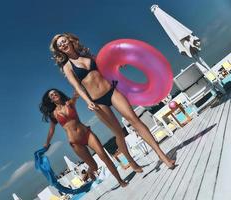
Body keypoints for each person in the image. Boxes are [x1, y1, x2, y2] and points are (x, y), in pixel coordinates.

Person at [49, 33, 176, 170]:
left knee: (135, 120)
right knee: (119, 133)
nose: (62, 45)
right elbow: (77, 87)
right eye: (59, 45)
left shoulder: (87, 55)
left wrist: (120, 63)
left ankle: (161, 155)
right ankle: (130, 161)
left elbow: (106, 65)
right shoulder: (67, 67)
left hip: (112, 91)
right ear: (60, 50)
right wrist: (87, 101)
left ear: (70, 40)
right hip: (97, 102)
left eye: (64, 41)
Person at [39, 88, 128, 187]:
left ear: (59, 94)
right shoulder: (54, 114)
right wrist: (46, 143)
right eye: (51, 95)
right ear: (51, 100)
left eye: (55, 92)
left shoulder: (69, 103)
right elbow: (51, 130)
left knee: (104, 156)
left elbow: (76, 95)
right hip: (75, 142)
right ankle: (90, 172)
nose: (54, 94)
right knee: (94, 166)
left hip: (87, 134)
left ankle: (120, 181)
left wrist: (77, 88)